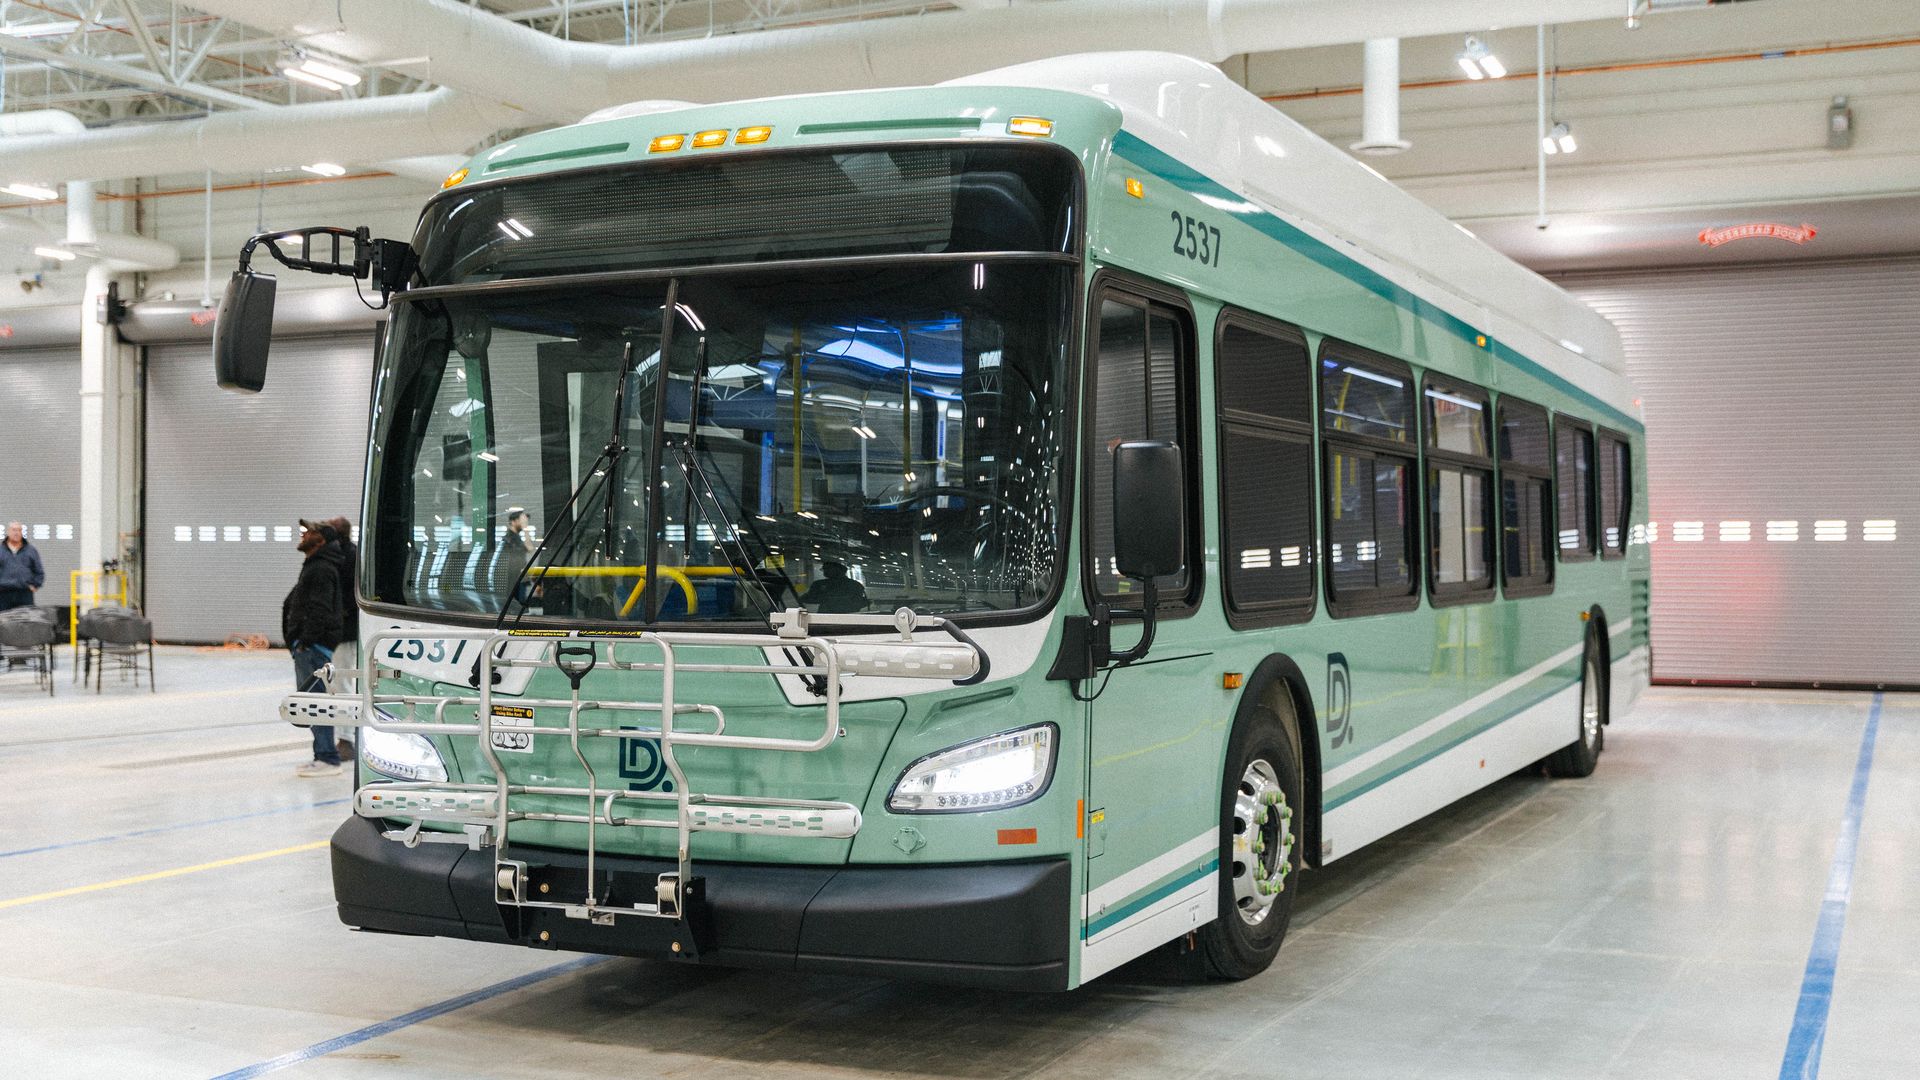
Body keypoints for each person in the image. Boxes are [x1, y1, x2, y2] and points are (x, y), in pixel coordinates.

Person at [283, 519, 347, 778]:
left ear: (320, 540)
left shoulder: (321, 568)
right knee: (313, 700)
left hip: (313, 646)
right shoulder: (316, 565)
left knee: (316, 701)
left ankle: (327, 758)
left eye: (309, 532)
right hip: (309, 644)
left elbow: (319, 608)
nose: (303, 535)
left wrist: (306, 640)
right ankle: (322, 754)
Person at [322, 515, 359, 762]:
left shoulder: (346, 557)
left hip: (344, 632)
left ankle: (347, 740)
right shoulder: (341, 555)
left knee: (342, 684)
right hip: (338, 631)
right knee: (338, 684)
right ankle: (346, 736)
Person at [0, 522, 44, 613]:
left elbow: (39, 571)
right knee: (4, 624)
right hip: (4, 594)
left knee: (26, 623)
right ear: (8, 532)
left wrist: (35, 585)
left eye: (19, 530)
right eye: (14, 530)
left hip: (24, 594)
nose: (16, 533)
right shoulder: (1, 550)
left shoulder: (31, 550)